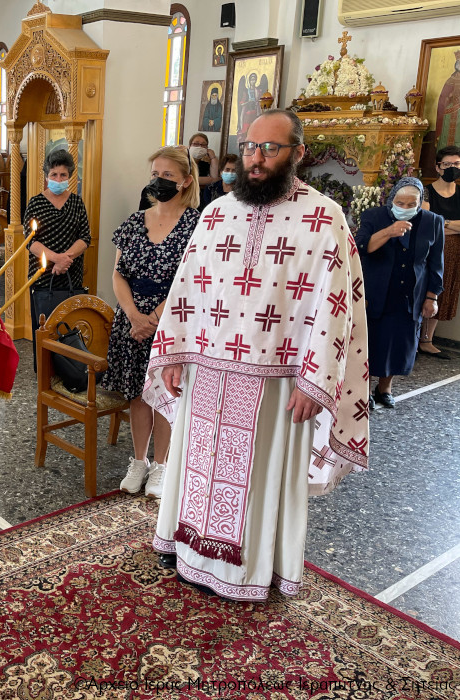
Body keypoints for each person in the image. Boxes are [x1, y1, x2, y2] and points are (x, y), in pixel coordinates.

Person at [142, 110, 369, 602]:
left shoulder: (322, 217)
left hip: (277, 383)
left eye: (270, 149)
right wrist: (177, 352)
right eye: (249, 148)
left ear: (298, 154)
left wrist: (317, 381)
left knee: (261, 479)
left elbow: (336, 306)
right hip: (207, 374)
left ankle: (253, 570)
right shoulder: (217, 213)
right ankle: (188, 552)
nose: (256, 159)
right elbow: (188, 289)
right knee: (197, 465)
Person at [103, 146, 200, 499]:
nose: (158, 181)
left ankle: (161, 465)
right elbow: (117, 274)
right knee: (138, 394)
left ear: (186, 181)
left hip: (172, 320)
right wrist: (133, 315)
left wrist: (155, 318)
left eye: (167, 176)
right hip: (131, 320)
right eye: (155, 174)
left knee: (164, 394)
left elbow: (189, 280)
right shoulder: (133, 222)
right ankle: (139, 461)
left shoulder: (197, 225)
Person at [357, 177, 443, 410]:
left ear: (420, 202)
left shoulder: (433, 222)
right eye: (400, 202)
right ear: (391, 199)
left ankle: (384, 389)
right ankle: (365, 391)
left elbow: (435, 263)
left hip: (409, 294)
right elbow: (360, 247)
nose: (405, 208)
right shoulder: (373, 217)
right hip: (375, 292)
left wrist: (431, 297)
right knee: (372, 343)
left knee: (398, 344)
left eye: (411, 203)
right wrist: (388, 232)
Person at [24, 149, 91, 344]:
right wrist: (56, 259)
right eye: (54, 174)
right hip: (43, 275)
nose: (58, 178)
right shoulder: (35, 203)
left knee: (70, 328)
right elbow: (30, 240)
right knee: (44, 329)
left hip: (71, 275)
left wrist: (65, 259)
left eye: (63, 175)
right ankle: (44, 372)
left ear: (69, 176)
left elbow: (85, 237)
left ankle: (69, 370)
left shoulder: (77, 202)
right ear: (47, 176)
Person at [420, 145, 460, 357]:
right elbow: (427, 223)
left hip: (454, 252)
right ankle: (416, 337)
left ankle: (428, 339)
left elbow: (437, 223)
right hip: (431, 248)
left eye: (456, 164)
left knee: (443, 294)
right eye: (447, 164)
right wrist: (454, 226)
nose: (452, 168)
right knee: (424, 290)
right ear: (438, 167)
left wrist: (444, 223)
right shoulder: (426, 190)